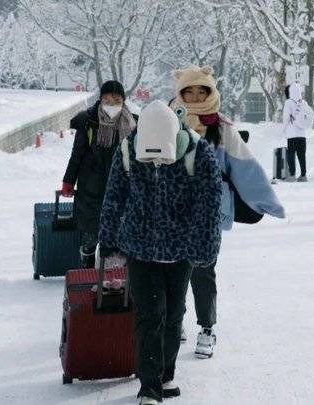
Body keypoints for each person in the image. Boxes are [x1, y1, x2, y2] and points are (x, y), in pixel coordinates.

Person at [98, 100, 222, 405]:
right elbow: (114, 196)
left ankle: (165, 375)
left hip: (179, 250)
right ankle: (149, 386)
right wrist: (109, 239)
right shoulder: (128, 150)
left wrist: (204, 248)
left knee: (173, 314)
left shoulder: (197, 152)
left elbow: (209, 205)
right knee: (149, 314)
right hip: (140, 247)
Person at [171, 65, 285, 359]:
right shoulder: (167, 122)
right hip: (172, 208)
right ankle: (175, 320)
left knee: (203, 270)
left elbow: (246, 167)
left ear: (211, 92)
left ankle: (207, 327)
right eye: (189, 91)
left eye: (201, 91)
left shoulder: (221, 128)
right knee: (173, 269)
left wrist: (266, 201)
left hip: (209, 209)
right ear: (179, 92)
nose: (195, 97)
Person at [61, 80, 136, 268]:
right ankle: (86, 261)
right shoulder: (89, 122)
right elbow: (76, 154)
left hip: (120, 186)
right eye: (107, 99)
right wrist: (68, 180)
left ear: (123, 101)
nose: (112, 104)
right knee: (91, 230)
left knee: (117, 229)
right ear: (101, 99)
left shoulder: (132, 124)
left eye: (116, 99)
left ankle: (113, 277)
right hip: (91, 186)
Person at [282, 82, 314, 182]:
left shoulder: (288, 103)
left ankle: (292, 175)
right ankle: (303, 175)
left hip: (292, 134)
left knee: (291, 155)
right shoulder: (304, 103)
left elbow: (286, 118)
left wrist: (284, 130)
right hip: (302, 134)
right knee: (302, 155)